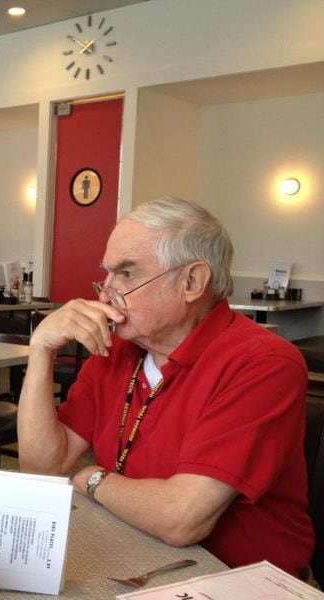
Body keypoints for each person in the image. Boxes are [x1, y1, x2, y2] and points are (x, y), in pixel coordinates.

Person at [18, 197, 313, 576]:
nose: (104, 293)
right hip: (135, 549)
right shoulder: (118, 349)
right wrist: (40, 349)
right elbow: (40, 467)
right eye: (106, 275)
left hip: (237, 576)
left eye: (126, 274)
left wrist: (89, 477)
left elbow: (181, 518)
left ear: (192, 282)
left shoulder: (263, 363)